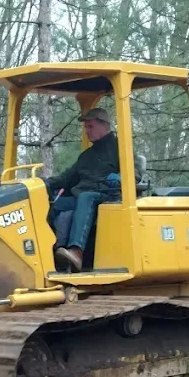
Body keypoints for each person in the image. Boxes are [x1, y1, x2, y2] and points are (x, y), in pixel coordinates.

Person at [46, 106, 120, 272]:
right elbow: (67, 178)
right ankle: (52, 253)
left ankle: (77, 251)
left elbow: (135, 172)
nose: (87, 131)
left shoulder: (120, 149)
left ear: (104, 125)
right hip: (82, 197)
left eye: (90, 126)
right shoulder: (86, 156)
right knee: (52, 205)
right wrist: (46, 183)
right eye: (86, 127)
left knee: (85, 197)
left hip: (108, 195)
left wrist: (121, 178)